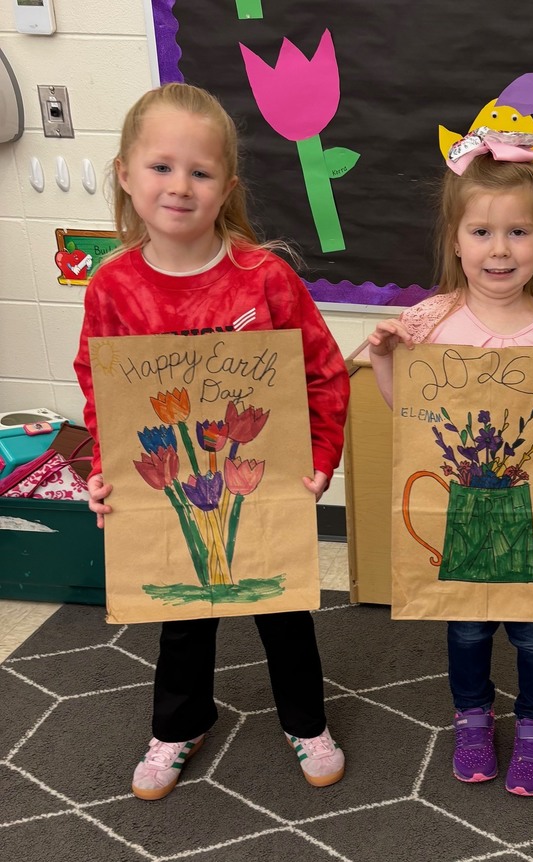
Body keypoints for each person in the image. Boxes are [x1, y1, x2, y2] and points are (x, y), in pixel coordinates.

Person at [73, 83, 350, 800]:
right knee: (182, 616)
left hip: (257, 473)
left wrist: (319, 461)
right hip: (173, 484)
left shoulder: (265, 278)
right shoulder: (112, 289)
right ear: (126, 175)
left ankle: (305, 719)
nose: (179, 186)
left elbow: (322, 373)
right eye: (161, 167)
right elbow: (104, 392)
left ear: (226, 188)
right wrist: (107, 474)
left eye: (199, 172)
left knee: (283, 607)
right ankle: (179, 724)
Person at [368, 130, 533, 796]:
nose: (499, 249)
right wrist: (381, 360)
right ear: (456, 240)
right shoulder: (427, 322)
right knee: (467, 622)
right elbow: (412, 421)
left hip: (523, 505)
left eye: (517, 233)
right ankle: (473, 717)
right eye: (482, 232)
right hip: (464, 504)